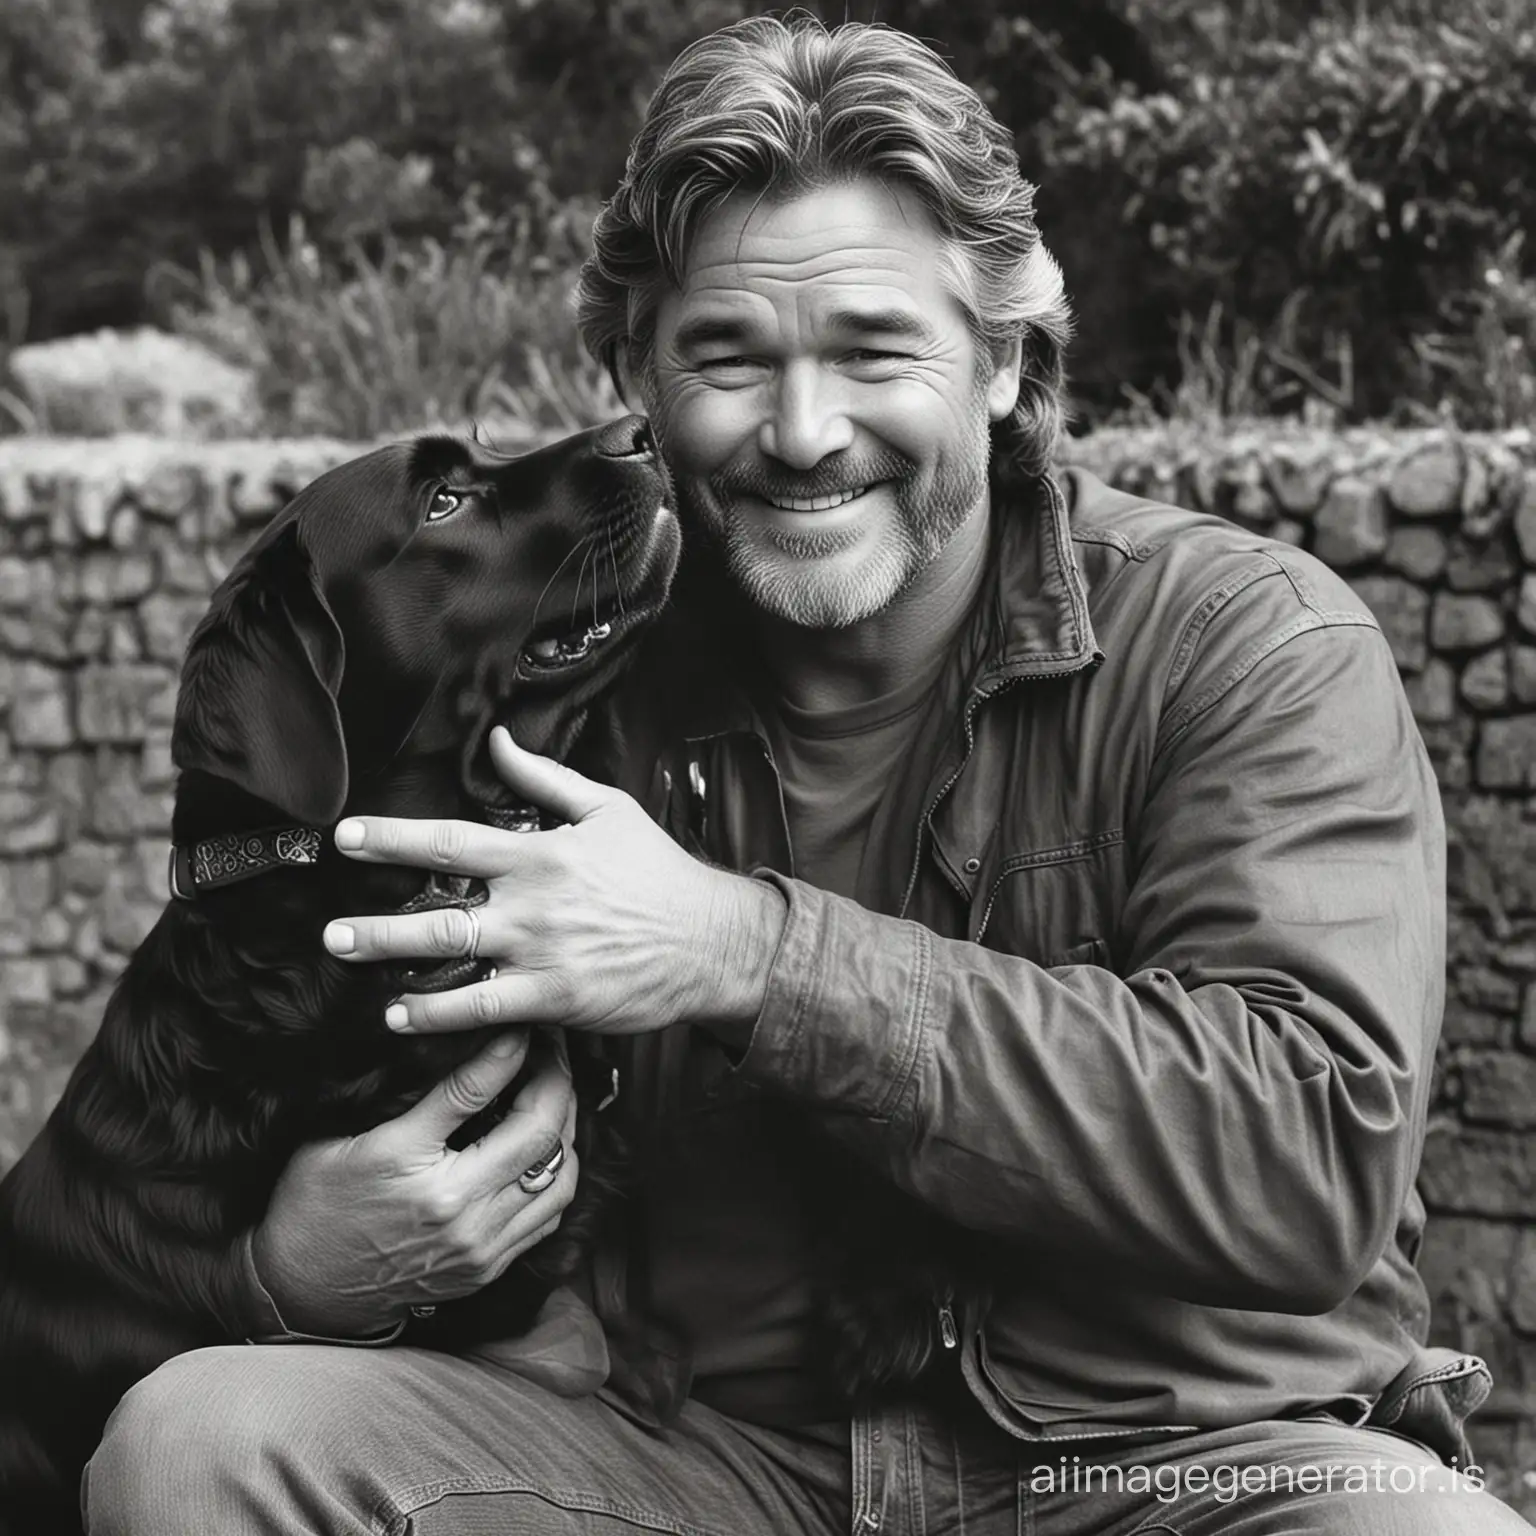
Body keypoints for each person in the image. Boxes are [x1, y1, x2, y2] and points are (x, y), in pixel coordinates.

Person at [85, 15, 1531, 1536]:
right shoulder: (556, 677)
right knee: (202, 1446)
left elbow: (1307, 1157)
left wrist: (744, 953)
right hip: (696, 1468)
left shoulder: (1246, 641)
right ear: (637, 371)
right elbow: (230, 1057)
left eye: (873, 349)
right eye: (727, 357)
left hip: (1191, 1469)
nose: (801, 433)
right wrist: (284, 1277)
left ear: (1003, 363)